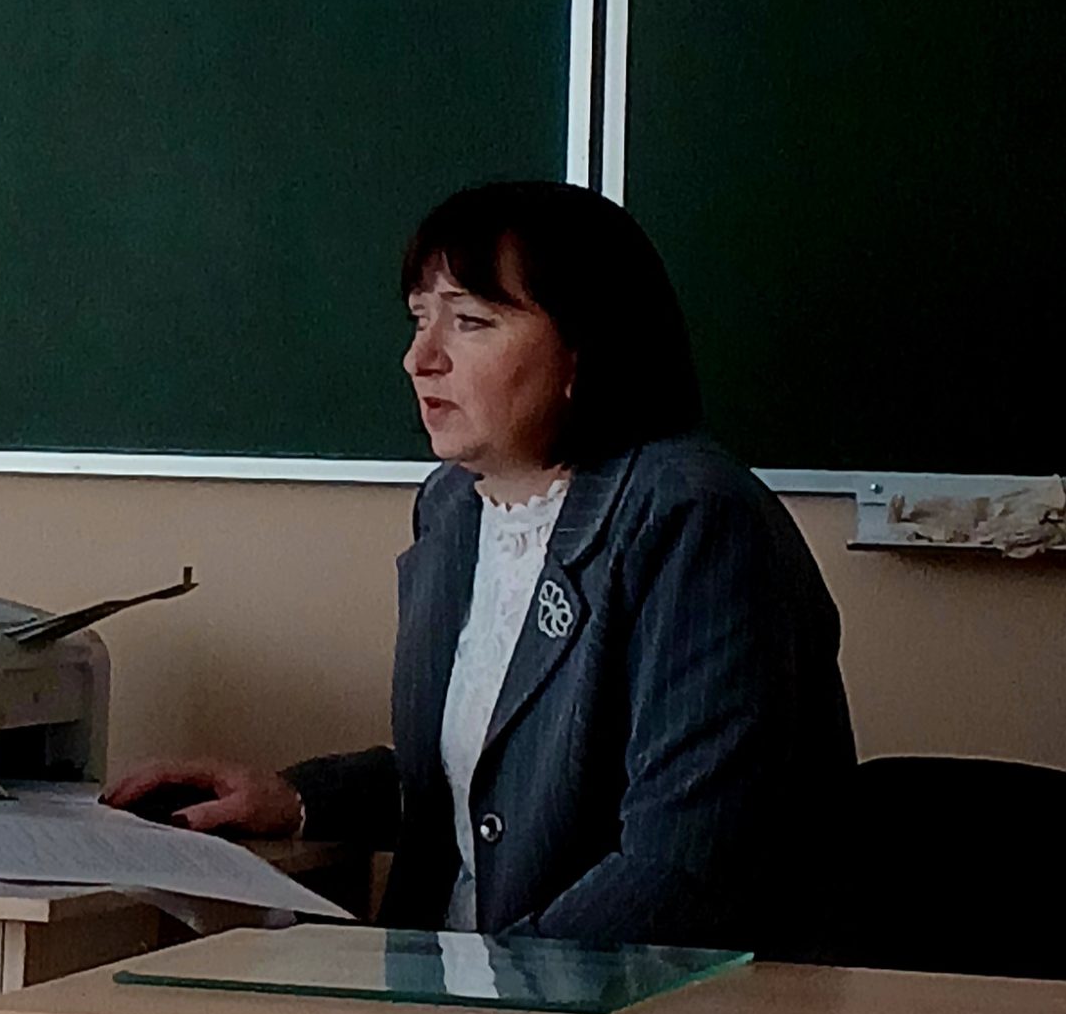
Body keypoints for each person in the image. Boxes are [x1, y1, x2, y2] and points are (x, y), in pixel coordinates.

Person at [105, 182, 854, 952]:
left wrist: (489, 992)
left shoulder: (690, 517)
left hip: (642, 1002)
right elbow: (497, 782)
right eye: (418, 319)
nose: (419, 359)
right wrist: (298, 799)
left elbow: (682, 866)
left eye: (469, 321)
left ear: (583, 347)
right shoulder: (455, 508)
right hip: (463, 985)